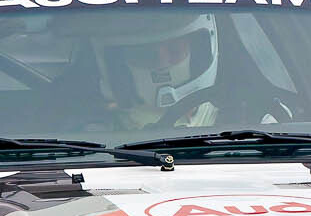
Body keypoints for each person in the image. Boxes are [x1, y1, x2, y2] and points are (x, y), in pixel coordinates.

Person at [94, 12, 223, 131]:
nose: (163, 63)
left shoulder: (231, 120)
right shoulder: (100, 134)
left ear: (198, 51)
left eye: (174, 49)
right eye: (146, 53)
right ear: (119, 64)